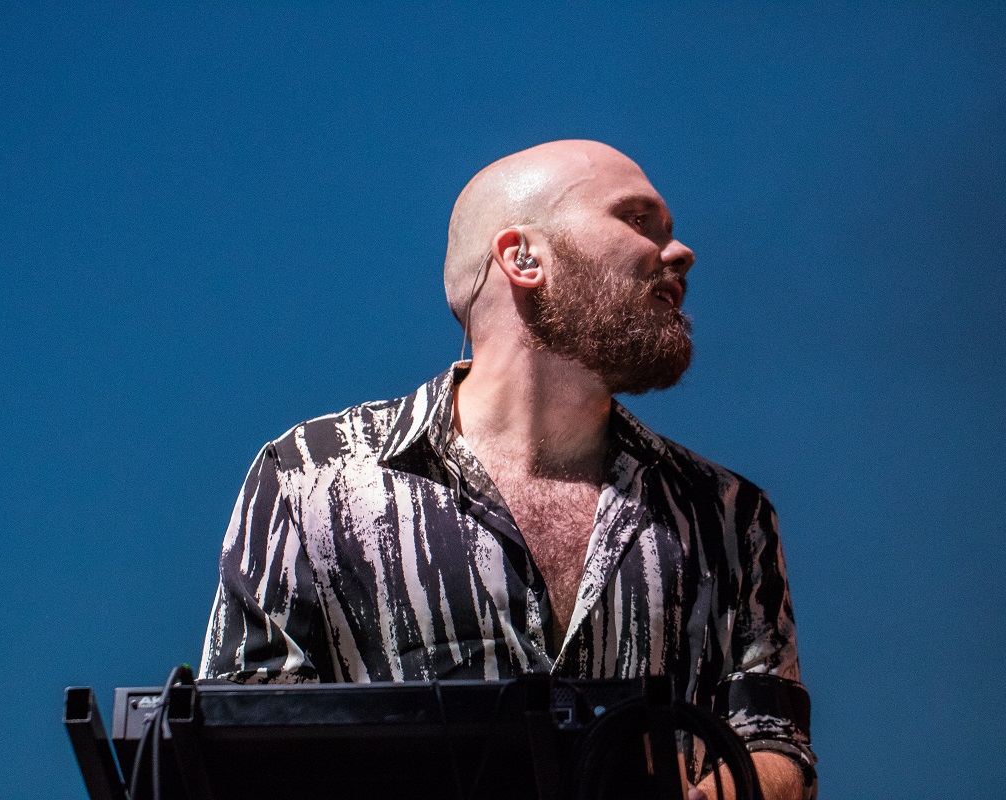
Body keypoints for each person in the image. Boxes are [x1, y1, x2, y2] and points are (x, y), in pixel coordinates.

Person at [199, 140, 816, 799]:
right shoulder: (311, 478)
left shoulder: (725, 513)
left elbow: (776, 742)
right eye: (637, 220)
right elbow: (240, 740)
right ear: (523, 258)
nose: (680, 252)